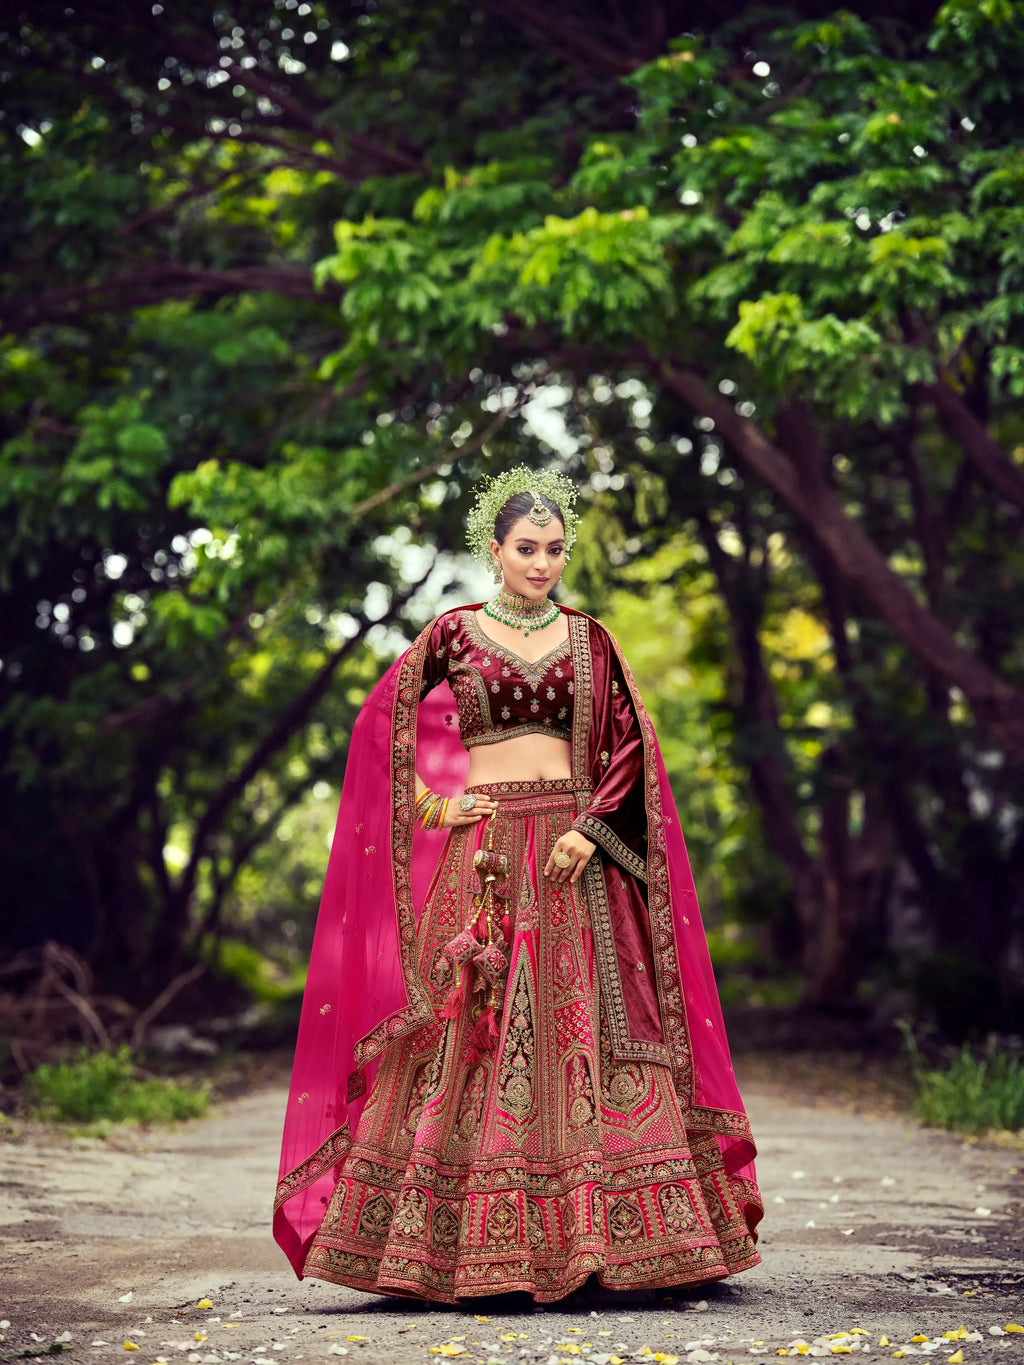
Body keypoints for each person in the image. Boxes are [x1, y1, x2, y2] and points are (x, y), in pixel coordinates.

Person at [274, 466, 763, 1304]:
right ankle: (455, 1251)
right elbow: (377, 726)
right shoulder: (454, 633)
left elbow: (631, 750)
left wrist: (587, 828)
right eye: (527, 548)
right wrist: (434, 803)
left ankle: (624, 1242)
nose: (542, 563)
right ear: (494, 550)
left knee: (595, 1029)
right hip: (488, 855)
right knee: (472, 1026)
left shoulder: (591, 639)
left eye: (555, 549)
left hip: (575, 856)